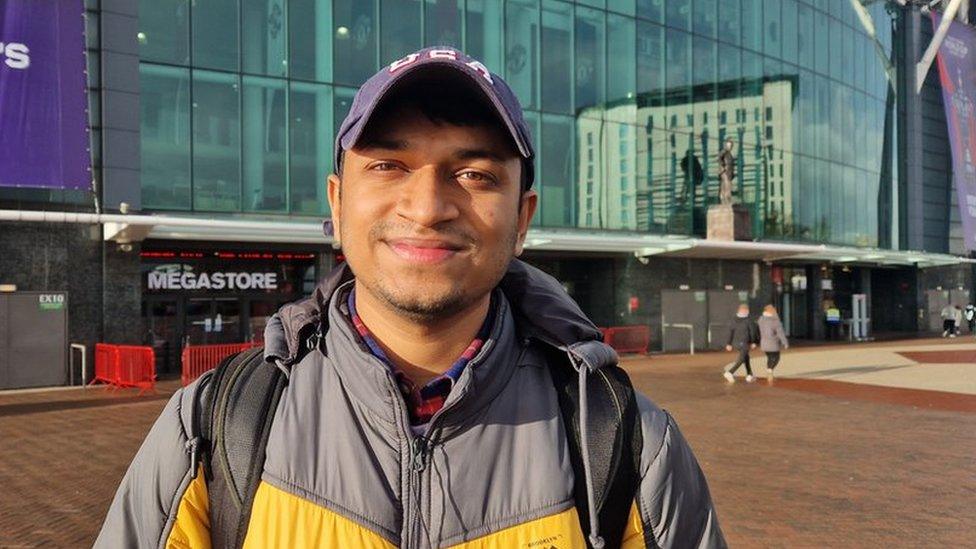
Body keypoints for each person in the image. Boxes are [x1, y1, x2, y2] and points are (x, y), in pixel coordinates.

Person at [96, 47, 724, 548]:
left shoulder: (629, 444)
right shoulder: (211, 425)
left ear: (522, 217)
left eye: (474, 174)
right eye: (389, 165)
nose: (427, 208)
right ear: (338, 204)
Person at [724, 304, 759, 383]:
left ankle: (749, 375)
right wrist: (753, 342)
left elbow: (730, 332)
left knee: (746, 357)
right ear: (746, 311)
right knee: (742, 358)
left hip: (736, 343)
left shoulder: (733, 320)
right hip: (745, 342)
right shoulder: (749, 320)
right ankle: (730, 372)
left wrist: (729, 343)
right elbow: (752, 332)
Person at [757, 305, 789, 383]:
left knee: (770, 357)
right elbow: (780, 333)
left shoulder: (761, 320)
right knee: (776, 357)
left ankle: (769, 370)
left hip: (764, 343)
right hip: (773, 343)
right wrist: (785, 342)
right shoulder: (775, 321)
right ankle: (770, 370)